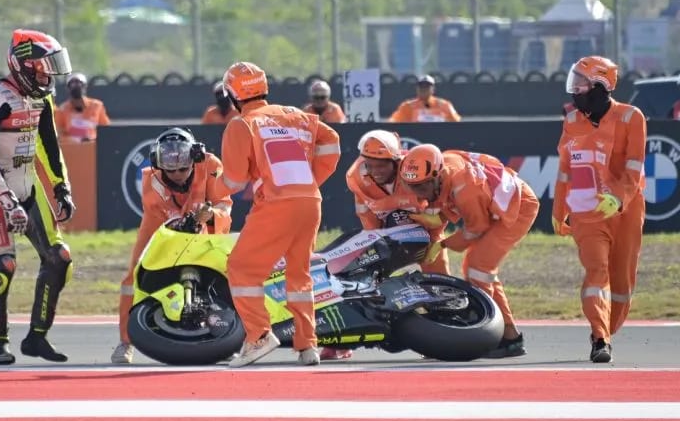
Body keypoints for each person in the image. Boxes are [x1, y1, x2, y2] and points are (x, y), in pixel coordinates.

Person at [217, 61, 341, 368]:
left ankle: (259, 336)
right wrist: (311, 177)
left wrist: (209, 191)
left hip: (276, 205)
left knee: (242, 268)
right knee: (298, 274)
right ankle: (307, 346)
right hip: (310, 201)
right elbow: (332, 143)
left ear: (232, 95)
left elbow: (232, 182)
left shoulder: (241, 124)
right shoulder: (296, 116)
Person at [0, 28, 76, 365]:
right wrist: (7, 202)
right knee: (4, 265)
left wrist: (61, 186)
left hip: (29, 188)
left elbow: (50, 145)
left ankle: (37, 337)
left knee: (59, 258)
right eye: (43, 66)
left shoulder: (41, 98)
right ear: (24, 65)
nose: (49, 73)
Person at [400, 144, 539, 358]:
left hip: (518, 208)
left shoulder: (465, 189)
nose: (419, 194)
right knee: (480, 269)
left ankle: (489, 334)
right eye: (413, 186)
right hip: (492, 204)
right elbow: (449, 201)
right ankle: (510, 336)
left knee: (478, 268)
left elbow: (476, 228)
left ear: (437, 176)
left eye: (422, 187)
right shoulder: (443, 168)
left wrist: (443, 244)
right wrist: (439, 218)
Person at [324, 129, 448, 362]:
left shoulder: (413, 170)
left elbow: (434, 209)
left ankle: (442, 331)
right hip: (382, 225)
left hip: (421, 223)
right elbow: (366, 215)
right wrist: (373, 242)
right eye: (370, 164)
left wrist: (435, 241)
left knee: (437, 274)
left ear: (396, 161)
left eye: (381, 165)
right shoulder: (355, 175)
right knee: (360, 273)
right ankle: (339, 340)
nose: (375, 171)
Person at [552, 56, 646, 363]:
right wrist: (558, 208)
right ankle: (600, 337)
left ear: (600, 86)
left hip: (626, 211)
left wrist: (618, 198)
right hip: (585, 212)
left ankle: (605, 331)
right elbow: (565, 170)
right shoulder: (570, 122)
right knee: (596, 270)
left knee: (622, 287)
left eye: (580, 84)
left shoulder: (632, 117)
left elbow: (634, 167)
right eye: (574, 83)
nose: (574, 91)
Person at [112, 127, 234, 364]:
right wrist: (189, 220)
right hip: (160, 224)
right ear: (159, 165)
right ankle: (125, 342)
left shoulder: (211, 166)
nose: (177, 174)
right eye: (171, 170)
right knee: (132, 278)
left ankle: (231, 333)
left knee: (227, 272)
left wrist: (211, 215)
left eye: (182, 169)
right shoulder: (151, 179)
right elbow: (168, 221)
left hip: (208, 225)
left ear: (195, 159)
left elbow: (224, 204)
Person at [54, 72, 110, 143]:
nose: (77, 86)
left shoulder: (97, 106)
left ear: (85, 86)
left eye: (79, 83)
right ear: (68, 88)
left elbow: (106, 130)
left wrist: (92, 139)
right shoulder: (62, 110)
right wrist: (76, 140)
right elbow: (59, 135)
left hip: (93, 147)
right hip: (72, 148)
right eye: (73, 84)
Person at [389, 75, 460, 123]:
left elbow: (457, 123)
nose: (423, 89)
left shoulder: (444, 105)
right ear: (417, 88)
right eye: (421, 86)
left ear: (433, 89)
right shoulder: (408, 106)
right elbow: (393, 122)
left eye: (427, 86)